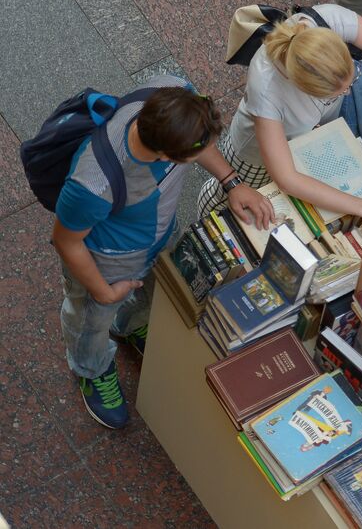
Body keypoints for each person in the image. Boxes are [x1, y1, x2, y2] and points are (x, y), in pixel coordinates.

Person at [51, 78, 275, 428]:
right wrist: (103, 290)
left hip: (156, 239)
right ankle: (91, 367)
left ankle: (129, 326)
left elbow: (198, 142)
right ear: (167, 156)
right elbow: (66, 242)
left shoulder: (170, 92)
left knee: (152, 293)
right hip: (107, 262)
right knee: (91, 320)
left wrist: (231, 181)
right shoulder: (93, 183)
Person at [202, 3, 362, 227]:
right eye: (337, 91)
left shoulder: (329, 19)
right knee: (237, 202)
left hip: (307, 132)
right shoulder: (267, 89)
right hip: (256, 151)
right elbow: (287, 178)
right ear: (302, 87)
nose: (347, 93)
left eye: (350, 80)